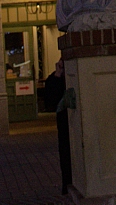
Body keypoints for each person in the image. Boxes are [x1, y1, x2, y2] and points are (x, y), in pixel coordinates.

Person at [43, 59, 72, 194]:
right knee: (66, 154)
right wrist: (58, 74)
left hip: (69, 122)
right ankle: (67, 184)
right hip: (65, 123)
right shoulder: (56, 79)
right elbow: (50, 100)